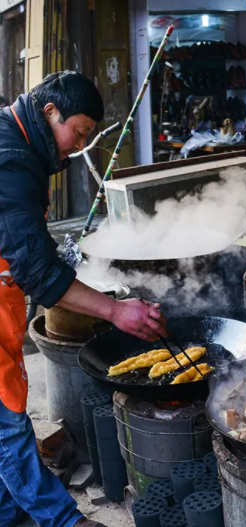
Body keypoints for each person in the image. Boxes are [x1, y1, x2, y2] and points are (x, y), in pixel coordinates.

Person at [0, 71, 168, 527]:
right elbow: (35, 270)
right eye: (78, 132)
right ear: (50, 112)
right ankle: (66, 522)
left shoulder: (18, 143)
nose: (78, 144)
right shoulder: (10, 159)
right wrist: (115, 310)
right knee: (9, 428)